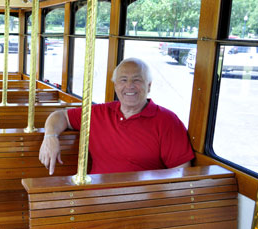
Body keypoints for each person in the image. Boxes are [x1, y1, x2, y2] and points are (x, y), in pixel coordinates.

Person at [39, 57, 194, 175]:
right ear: (115, 86)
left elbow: (181, 172)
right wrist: (50, 136)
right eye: (123, 80)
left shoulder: (168, 121)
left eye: (137, 80)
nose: (129, 86)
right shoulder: (98, 113)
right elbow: (61, 116)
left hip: (143, 205)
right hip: (96, 198)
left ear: (149, 86)